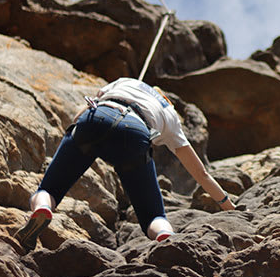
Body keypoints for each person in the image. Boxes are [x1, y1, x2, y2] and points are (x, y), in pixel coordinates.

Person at [14, 77, 235, 250]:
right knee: (153, 216)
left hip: (96, 117)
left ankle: (43, 207)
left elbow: (82, 112)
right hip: (135, 135)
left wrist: (76, 136)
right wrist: (229, 207)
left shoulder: (126, 82)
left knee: (50, 188)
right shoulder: (170, 115)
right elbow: (201, 174)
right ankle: (164, 236)